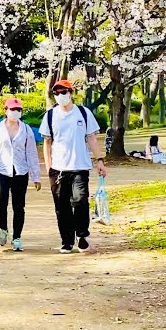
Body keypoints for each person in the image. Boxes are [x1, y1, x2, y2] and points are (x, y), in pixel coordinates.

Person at [40, 79, 104, 254]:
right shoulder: (50, 115)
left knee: (80, 200)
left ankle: (82, 235)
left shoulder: (83, 113)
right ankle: (67, 240)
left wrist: (99, 160)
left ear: (71, 93)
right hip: (58, 169)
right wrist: (49, 167)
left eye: (64, 92)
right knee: (62, 207)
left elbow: (91, 138)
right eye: (57, 93)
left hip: (79, 166)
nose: (61, 96)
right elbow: (47, 142)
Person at [0, 98, 40, 252]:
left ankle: (17, 237)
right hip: (1, 171)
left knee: (19, 206)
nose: (15, 112)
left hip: (20, 171)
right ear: (5, 111)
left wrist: (35, 176)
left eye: (18, 110)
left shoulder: (26, 129)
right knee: (0, 201)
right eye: (12, 109)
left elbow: (31, 153)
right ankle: (3, 229)